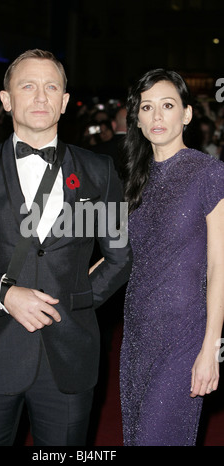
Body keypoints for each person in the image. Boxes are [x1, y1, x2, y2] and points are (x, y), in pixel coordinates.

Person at [0, 49, 132, 446]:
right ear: (6, 100)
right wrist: (4, 294)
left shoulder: (98, 171)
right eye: (28, 86)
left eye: (51, 87)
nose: (40, 97)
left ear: (64, 101)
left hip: (69, 355)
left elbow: (120, 255)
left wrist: (75, 300)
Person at [117, 69, 224, 446]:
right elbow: (124, 258)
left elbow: (219, 266)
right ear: (138, 118)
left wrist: (212, 348)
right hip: (137, 335)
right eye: (147, 107)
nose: (157, 116)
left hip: (184, 336)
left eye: (167, 106)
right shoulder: (136, 181)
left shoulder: (209, 173)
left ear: (187, 114)